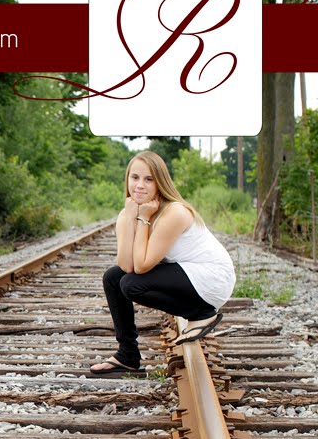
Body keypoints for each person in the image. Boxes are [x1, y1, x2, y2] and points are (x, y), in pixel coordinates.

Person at [89, 150, 235, 377]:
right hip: (186, 274)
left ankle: (202, 313)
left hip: (211, 278)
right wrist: (131, 218)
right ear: (127, 179)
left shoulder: (174, 212)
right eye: (135, 177)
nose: (140, 185)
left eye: (149, 179)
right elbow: (126, 265)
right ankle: (127, 355)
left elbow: (141, 266)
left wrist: (143, 219)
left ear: (160, 183)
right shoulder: (128, 213)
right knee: (113, 278)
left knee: (130, 285)